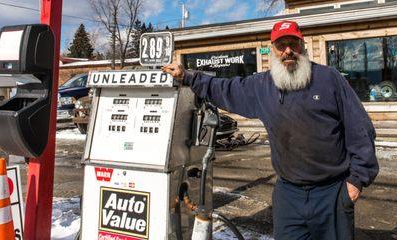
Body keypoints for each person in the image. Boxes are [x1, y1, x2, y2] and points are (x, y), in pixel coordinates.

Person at [162, 20, 378, 239]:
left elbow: (360, 128)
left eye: (293, 44)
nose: (288, 51)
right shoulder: (262, 86)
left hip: (332, 191)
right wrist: (187, 76)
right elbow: (224, 89)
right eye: (281, 45)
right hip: (288, 194)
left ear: (302, 46)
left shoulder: (329, 79)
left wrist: (357, 180)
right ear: (273, 50)